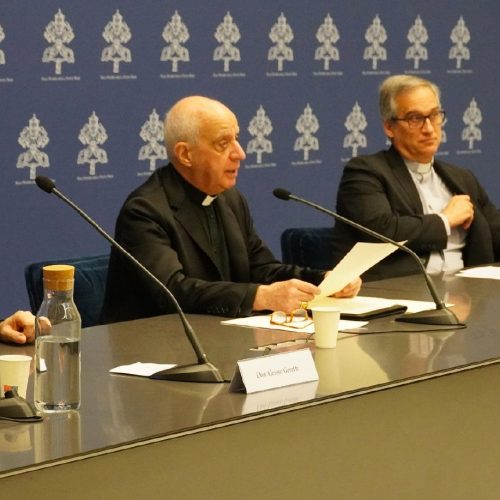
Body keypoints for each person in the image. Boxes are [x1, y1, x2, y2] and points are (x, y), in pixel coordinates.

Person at [102, 95, 361, 323]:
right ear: (185, 154)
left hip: (218, 335)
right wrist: (261, 296)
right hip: (153, 346)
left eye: (236, 139)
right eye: (223, 143)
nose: (240, 153)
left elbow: (262, 269)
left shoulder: (230, 199)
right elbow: (173, 290)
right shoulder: (145, 211)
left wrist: (324, 281)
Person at [330, 74, 500, 280]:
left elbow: (495, 230)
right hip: (401, 290)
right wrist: (445, 220)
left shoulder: (462, 178)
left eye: (434, 115)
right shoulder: (366, 172)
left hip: (470, 289)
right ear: (389, 127)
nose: (429, 128)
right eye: (415, 119)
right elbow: (383, 231)